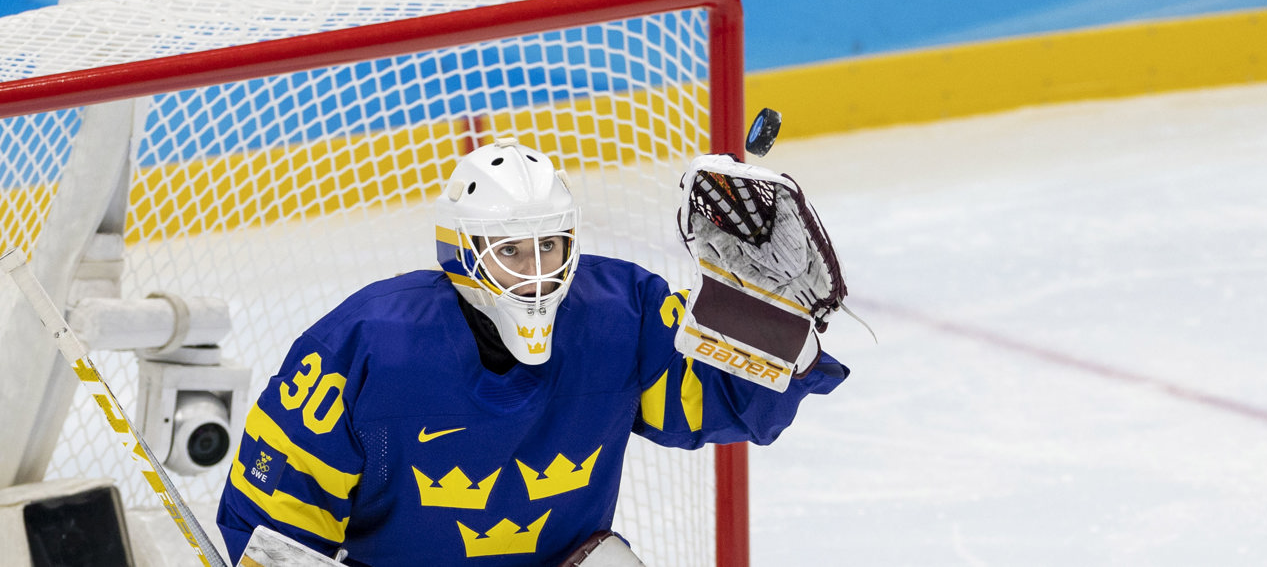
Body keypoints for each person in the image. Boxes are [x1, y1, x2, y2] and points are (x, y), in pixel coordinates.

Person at [217, 137, 848, 566]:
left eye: (550, 246)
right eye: (512, 251)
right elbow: (276, 527)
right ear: (461, 252)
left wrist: (773, 323)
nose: (537, 271)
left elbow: (725, 404)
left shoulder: (618, 311)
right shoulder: (366, 345)